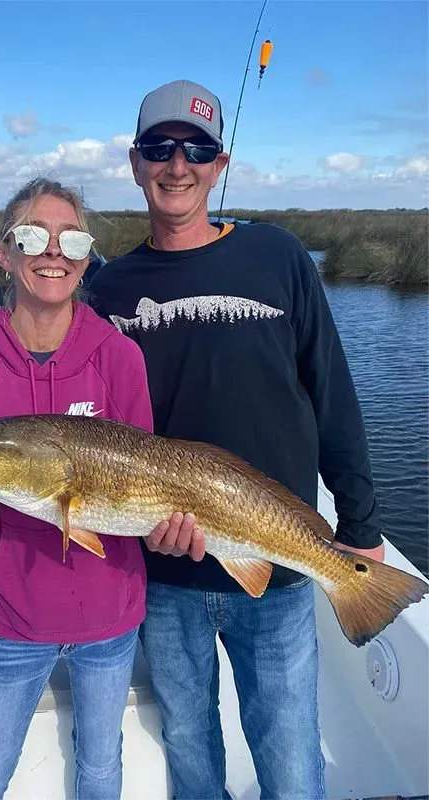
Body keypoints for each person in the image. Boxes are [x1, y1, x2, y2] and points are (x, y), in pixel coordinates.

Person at [88, 79, 385, 800]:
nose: (177, 163)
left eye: (198, 149)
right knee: (189, 747)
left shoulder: (279, 257)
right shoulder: (108, 291)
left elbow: (333, 392)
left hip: (277, 568)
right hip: (165, 577)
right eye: (160, 147)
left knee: (288, 757)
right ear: (135, 163)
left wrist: (363, 524)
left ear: (220, 165)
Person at [0, 178, 183, 800]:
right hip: (12, 617)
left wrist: (172, 526)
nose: (53, 252)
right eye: (32, 236)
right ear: (4, 253)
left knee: (101, 769)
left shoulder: (120, 357)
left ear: (85, 255)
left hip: (110, 615)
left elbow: (144, 480)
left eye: (71, 239)